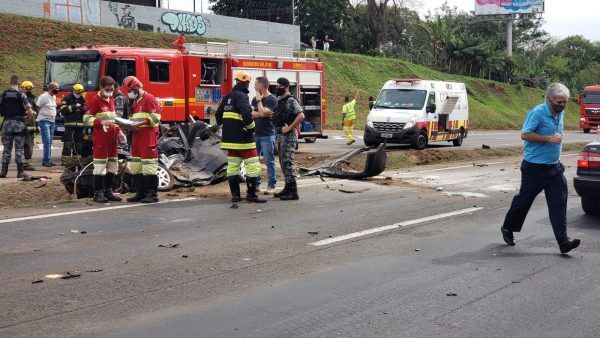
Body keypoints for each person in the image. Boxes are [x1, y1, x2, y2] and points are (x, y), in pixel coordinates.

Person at [500, 83, 580, 254]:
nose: (563, 105)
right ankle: (508, 227)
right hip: (534, 169)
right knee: (524, 201)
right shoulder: (537, 112)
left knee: (559, 203)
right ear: (549, 99)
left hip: (554, 168)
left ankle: (563, 241)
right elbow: (525, 134)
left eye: (565, 102)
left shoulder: (560, 113)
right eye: (559, 102)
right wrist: (548, 139)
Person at [216, 71, 266, 204]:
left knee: (232, 168)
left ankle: (235, 196)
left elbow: (218, 115)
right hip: (244, 141)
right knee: (253, 167)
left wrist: (227, 127)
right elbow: (246, 114)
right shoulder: (242, 96)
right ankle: (251, 195)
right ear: (246, 83)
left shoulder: (228, 96)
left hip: (229, 141)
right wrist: (251, 128)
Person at [121, 76, 162, 204]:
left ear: (137, 87)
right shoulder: (136, 101)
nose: (129, 94)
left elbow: (156, 117)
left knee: (149, 166)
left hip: (148, 137)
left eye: (131, 91)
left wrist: (140, 124)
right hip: (137, 137)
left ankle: (152, 194)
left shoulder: (149, 99)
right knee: (136, 166)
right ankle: (141, 192)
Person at [83, 76, 122, 203]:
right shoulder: (95, 101)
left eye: (112, 89)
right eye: (108, 89)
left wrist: (120, 132)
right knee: (100, 167)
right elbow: (86, 119)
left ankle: (108, 191)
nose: (110, 91)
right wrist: (100, 122)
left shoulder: (111, 99)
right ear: (102, 87)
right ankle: (97, 193)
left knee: (112, 166)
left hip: (112, 139)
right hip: (101, 139)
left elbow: (113, 119)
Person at [273, 77, 305, 201]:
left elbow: (301, 115)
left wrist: (290, 127)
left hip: (289, 136)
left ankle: (293, 191)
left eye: (279, 86)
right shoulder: (280, 101)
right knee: (283, 163)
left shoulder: (291, 100)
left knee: (288, 162)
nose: (277, 88)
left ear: (285, 87)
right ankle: (287, 187)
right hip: (281, 136)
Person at [0, 76, 33, 178]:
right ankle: (20, 172)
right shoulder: (21, 95)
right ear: (18, 84)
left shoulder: (3, 95)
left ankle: (3, 172)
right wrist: (26, 118)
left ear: (10, 83)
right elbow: (29, 111)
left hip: (7, 124)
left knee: (6, 148)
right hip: (19, 125)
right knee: (19, 149)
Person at [251, 76, 278, 195]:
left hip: (267, 135)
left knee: (269, 161)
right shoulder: (254, 99)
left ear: (263, 86)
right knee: (255, 161)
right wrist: (261, 113)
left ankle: (271, 185)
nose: (254, 86)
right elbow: (250, 113)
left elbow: (262, 112)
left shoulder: (272, 100)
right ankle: (256, 184)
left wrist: (259, 102)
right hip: (256, 134)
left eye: (256, 84)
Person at [60, 84, 86, 166]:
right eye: (78, 92)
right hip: (69, 124)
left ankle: (76, 161)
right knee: (68, 142)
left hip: (80, 124)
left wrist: (84, 108)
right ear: (74, 90)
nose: (79, 94)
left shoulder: (83, 99)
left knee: (79, 143)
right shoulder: (67, 98)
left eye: (81, 92)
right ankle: (65, 161)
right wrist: (75, 106)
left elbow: (86, 110)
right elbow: (63, 111)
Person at [36, 82, 59, 167]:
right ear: (50, 88)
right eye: (56, 88)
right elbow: (37, 107)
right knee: (46, 141)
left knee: (50, 142)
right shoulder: (43, 97)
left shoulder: (54, 96)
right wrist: (42, 115)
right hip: (44, 121)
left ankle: (47, 159)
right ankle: (46, 161)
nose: (58, 90)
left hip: (52, 121)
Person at [20, 81, 38, 171]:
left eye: (30, 88)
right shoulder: (21, 98)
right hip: (24, 125)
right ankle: (24, 164)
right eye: (28, 88)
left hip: (31, 126)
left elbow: (35, 112)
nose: (29, 90)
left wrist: (36, 125)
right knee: (26, 145)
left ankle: (26, 163)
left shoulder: (31, 99)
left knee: (29, 144)